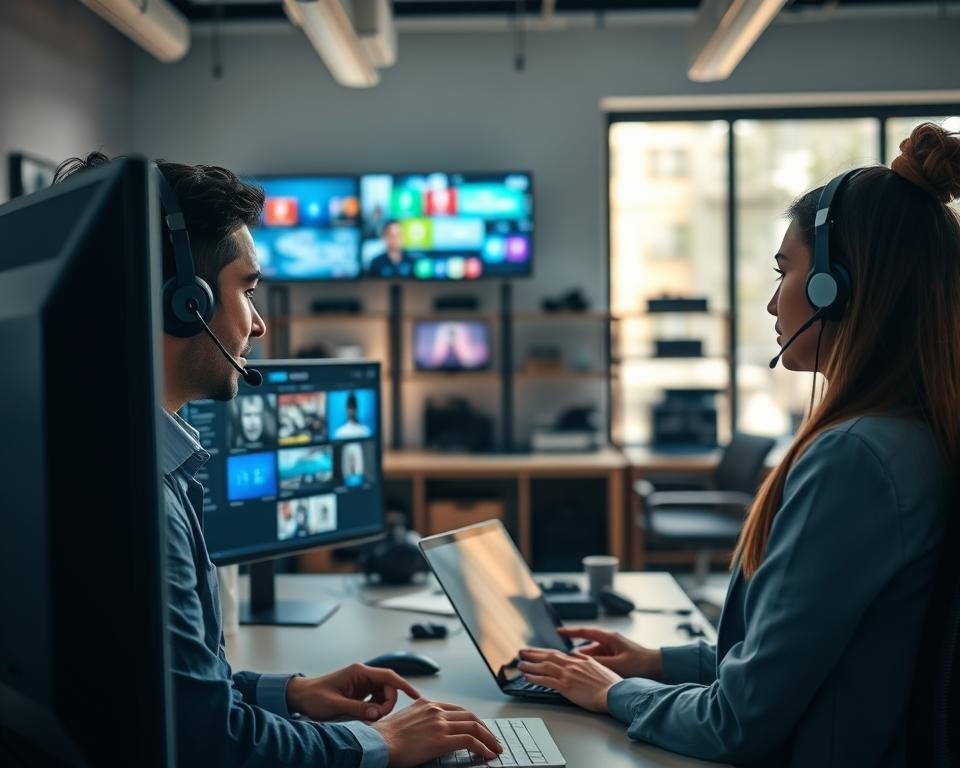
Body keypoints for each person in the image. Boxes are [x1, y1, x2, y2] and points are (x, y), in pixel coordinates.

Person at [516, 122, 960, 767]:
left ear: (836, 287)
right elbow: (812, 649)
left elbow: (737, 724)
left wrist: (617, 693)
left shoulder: (855, 459)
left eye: (785, 272)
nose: (774, 304)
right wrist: (656, 661)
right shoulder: (913, 436)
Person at [54, 153, 502, 768]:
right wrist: (382, 743)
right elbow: (209, 741)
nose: (259, 325)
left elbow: (173, 695)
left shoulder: (113, 454)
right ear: (186, 301)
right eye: (247, 288)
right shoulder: (136, 495)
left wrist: (290, 693)